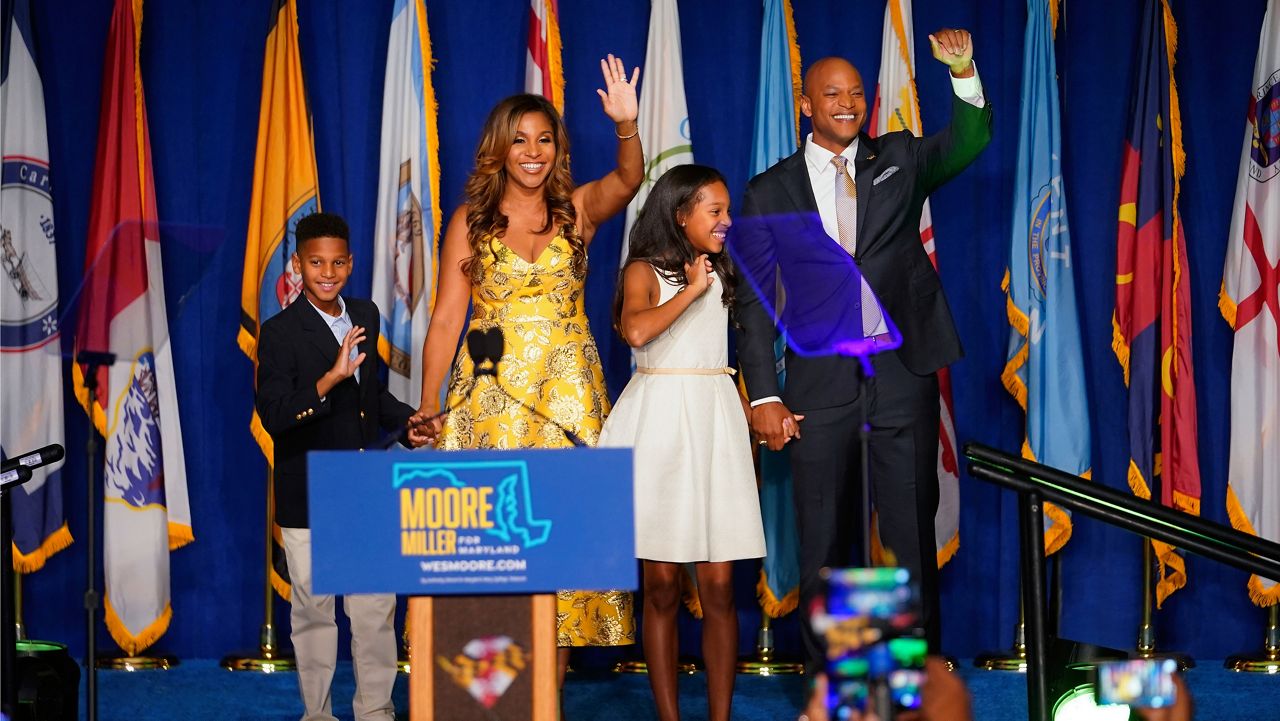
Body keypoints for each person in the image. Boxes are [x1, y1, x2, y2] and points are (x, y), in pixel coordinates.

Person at [731, 29, 993, 670]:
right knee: (824, 538)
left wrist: (962, 70)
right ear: (806, 103)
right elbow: (753, 301)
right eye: (832, 94)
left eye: (855, 93)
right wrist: (764, 393)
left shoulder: (901, 158)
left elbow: (970, 140)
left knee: (908, 529)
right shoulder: (769, 190)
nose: (847, 103)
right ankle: (838, 688)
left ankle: (908, 683)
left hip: (902, 374)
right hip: (819, 386)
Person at [410, 55, 643, 679]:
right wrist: (429, 404)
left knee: (562, 552)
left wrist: (626, 124)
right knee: (494, 550)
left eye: (544, 139)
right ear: (499, 150)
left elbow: (629, 177)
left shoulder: (577, 210)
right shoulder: (470, 221)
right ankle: (490, 695)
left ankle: (550, 699)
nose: (533, 151)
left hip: (569, 404)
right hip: (490, 407)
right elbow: (443, 321)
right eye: (520, 140)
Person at [600, 165, 766, 721]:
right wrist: (693, 291)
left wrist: (751, 407)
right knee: (663, 587)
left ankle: (720, 716)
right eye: (713, 211)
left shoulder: (725, 271)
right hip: (660, 427)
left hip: (713, 421)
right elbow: (638, 331)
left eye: (726, 210)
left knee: (719, 587)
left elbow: (722, 353)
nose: (726, 221)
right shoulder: (643, 270)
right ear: (680, 215)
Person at [255, 212, 430, 721]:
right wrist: (328, 379)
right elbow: (275, 416)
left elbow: (370, 397)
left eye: (336, 263)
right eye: (315, 263)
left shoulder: (366, 315)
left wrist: (409, 422)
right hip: (308, 493)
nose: (326, 272)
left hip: (362, 489)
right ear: (298, 265)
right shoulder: (280, 332)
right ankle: (319, 713)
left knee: (375, 609)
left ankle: (375, 710)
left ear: (350, 264)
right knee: (314, 613)